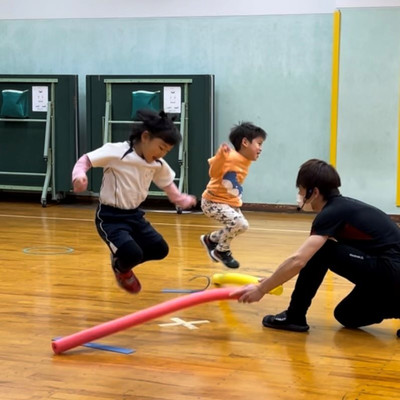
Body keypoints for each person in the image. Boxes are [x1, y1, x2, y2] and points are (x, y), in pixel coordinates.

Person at [233, 158, 400, 334]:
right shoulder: (344, 208)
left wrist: (261, 289)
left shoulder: (332, 213)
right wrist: (271, 280)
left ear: (314, 192)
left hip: (391, 270)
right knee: (347, 315)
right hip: (388, 273)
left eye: (301, 190)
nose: (299, 195)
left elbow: (299, 260)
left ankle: (295, 316)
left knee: (322, 251)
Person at [72, 109, 197, 294]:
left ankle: (121, 260)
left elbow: (167, 183)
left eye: (167, 151)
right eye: (161, 148)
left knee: (160, 249)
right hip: (110, 217)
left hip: (135, 215)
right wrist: (79, 175)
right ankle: (122, 268)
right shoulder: (117, 152)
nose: (162, 154)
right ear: (146, 136)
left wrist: (180, 199)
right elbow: (86, 160)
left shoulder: (157, 163)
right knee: (132, 253)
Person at [200, 122, 267, 268]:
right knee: (239, 223)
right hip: (212, 202)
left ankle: (210, 240)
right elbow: (213, 172)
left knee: (242, 226)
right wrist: (220, 156)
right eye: (259, 144)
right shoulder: (229, 156)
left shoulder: (245, 160)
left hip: (228, 201)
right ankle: (221, 251)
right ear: (245, 142)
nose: (261, 149)